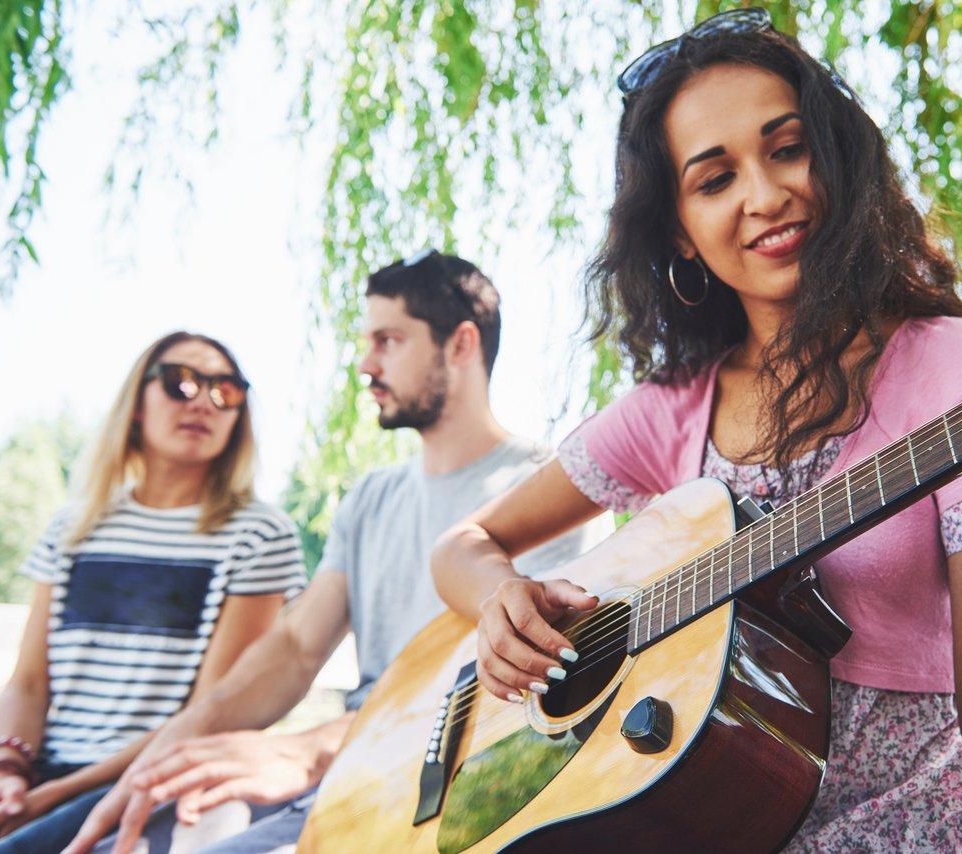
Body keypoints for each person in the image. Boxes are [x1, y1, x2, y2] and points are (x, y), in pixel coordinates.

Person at [429, 9, 962, 851]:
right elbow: (463, 541)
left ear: (836, 160)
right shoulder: (670, 407)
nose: (765, 194)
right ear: (679, 230)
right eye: (715, 180)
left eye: (787, 148)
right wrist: (500, 597)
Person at [65, 251, 591, 853]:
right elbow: (293, 647)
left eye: (389, 341)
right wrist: (173, 747)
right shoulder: (370, 497)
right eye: (366, 342)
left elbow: (512, 695)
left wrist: (308, 748)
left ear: (461, 345)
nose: (366, 365)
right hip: (346, 767)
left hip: (439, 791)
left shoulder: (550, 490)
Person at [0, 331, 306, 854]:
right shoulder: (73, 526)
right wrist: (6, 772)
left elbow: (213, 712)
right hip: (40, 773)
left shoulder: (258, 534)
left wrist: (54, 796)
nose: (204, 400)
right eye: (181, 383)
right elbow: (26, 682)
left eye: (226, 390)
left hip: (150, 780)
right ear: (137, 402)